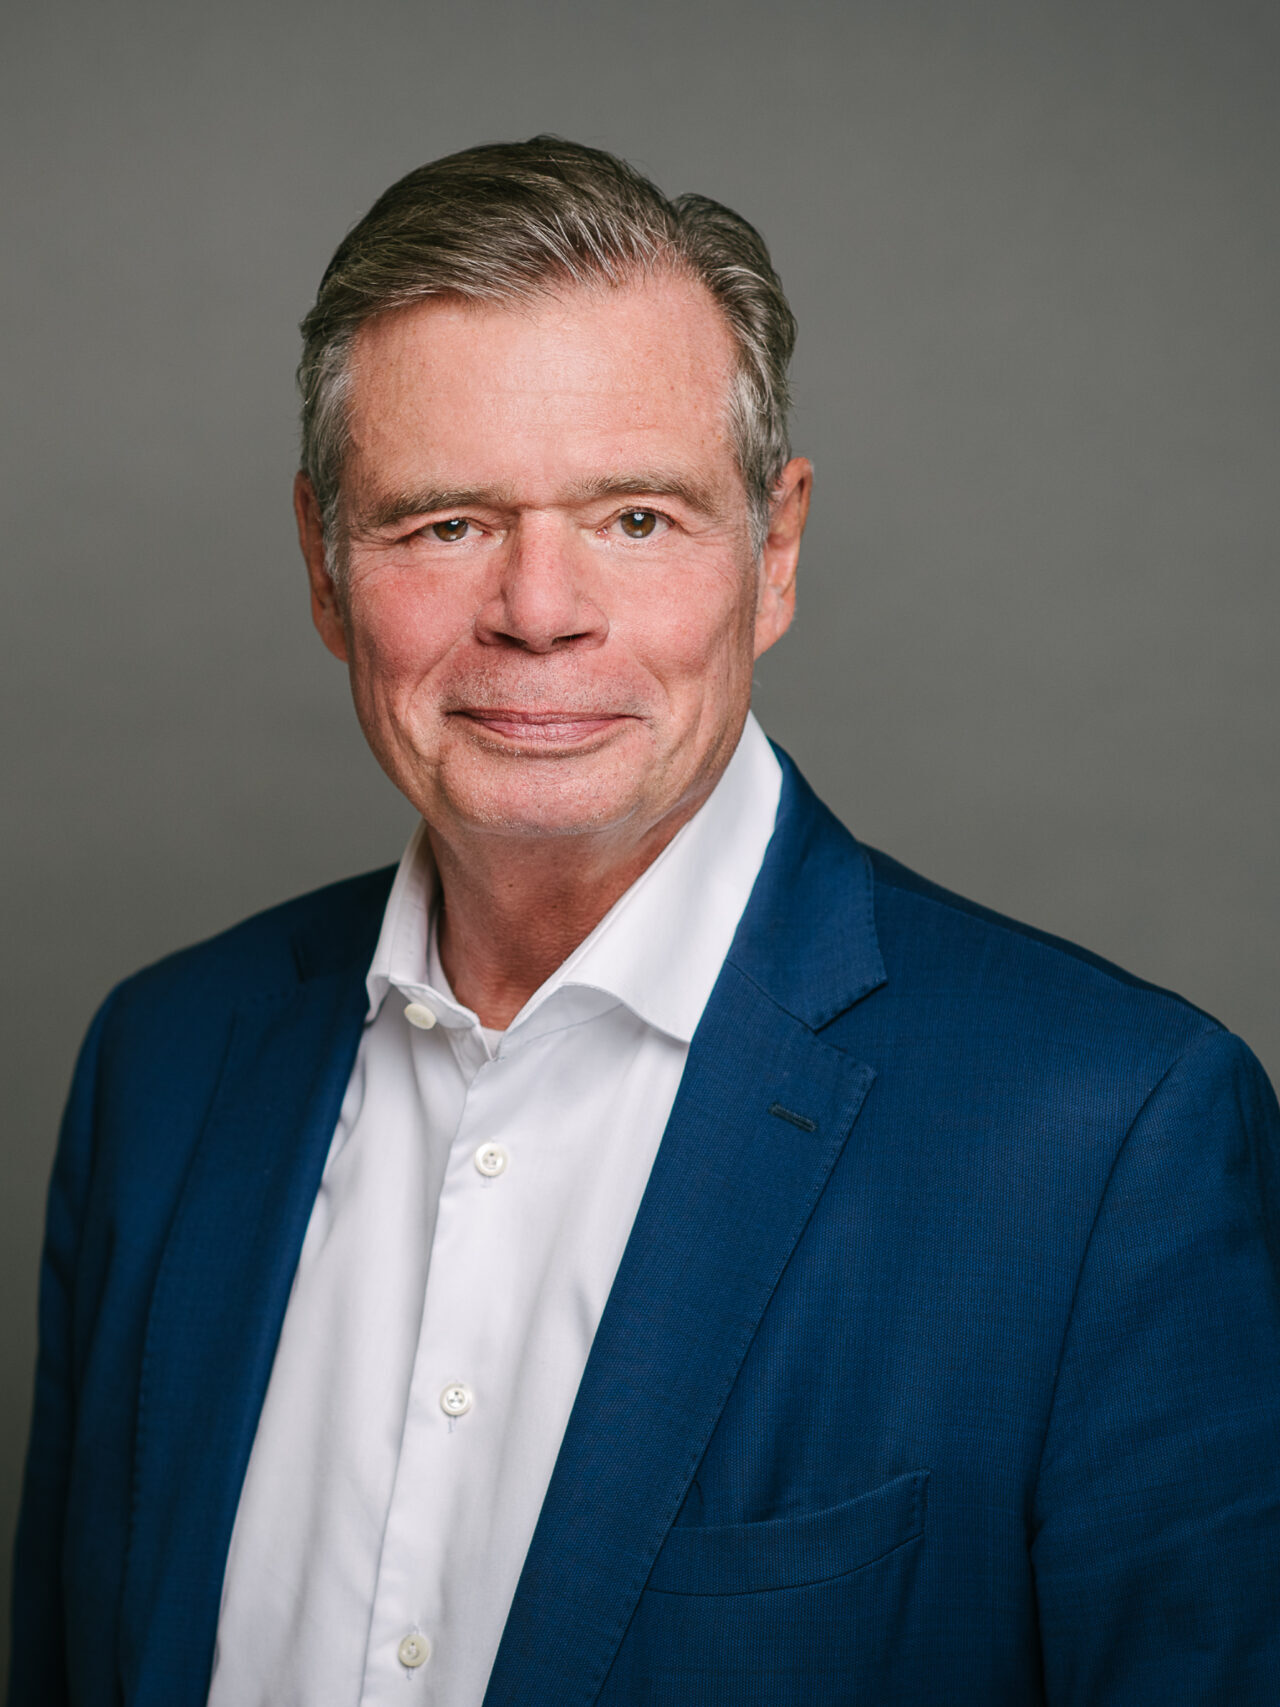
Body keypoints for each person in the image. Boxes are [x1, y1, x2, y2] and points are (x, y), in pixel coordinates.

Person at [9, 136, 1280, 1707]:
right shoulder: (161, 1068)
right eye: (445, 523)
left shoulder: (1109, 1144)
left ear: (775, 553)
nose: (539, 612)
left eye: (635, 518)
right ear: (325, 569)